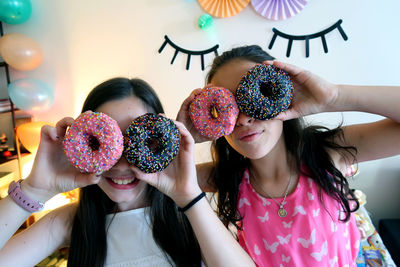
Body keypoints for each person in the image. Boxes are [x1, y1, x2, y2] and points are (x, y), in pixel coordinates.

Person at [177, 45, 400, 266]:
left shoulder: (327, 153)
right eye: (225, 108)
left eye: (256, 97)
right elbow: (162, 177)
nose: (242, 119)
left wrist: (333, 96)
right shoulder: (224, 177)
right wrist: (182, 139)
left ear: (281, 93)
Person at [0, 78, 256, 267]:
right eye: (102, 143)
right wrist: (32, 190)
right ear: (84, 142)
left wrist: (190, 198)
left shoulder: (193, 216)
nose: (121, 164)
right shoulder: (69, 222)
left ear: (161, 141)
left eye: (140, 143)